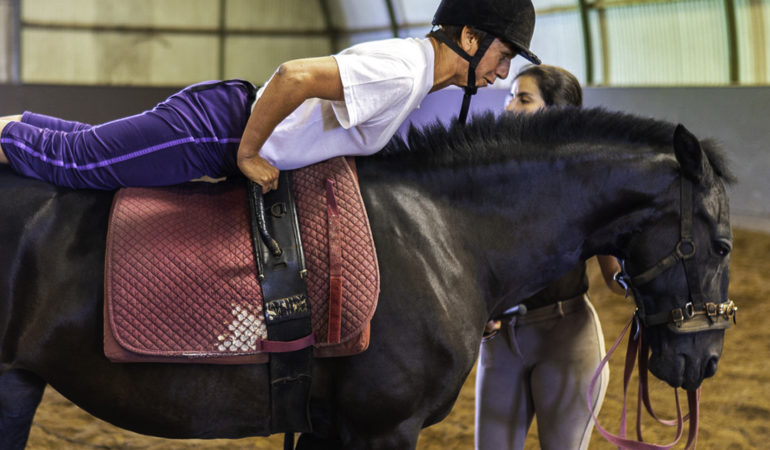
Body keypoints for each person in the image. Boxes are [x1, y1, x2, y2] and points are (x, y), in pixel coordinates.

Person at [0, 0, 540, 192]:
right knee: (77, 164)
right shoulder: (403, 71)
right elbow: (292, 77)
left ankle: (14, 121)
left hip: (222, 118)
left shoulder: (414, 71)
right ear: (470, 38)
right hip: (217, 131)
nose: (501, 72)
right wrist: (247, 153)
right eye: (503, 56)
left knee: (84, 144)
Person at [474, 64, 627, 450]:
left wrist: (647, 283)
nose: (509, 108)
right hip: (500, 343)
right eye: (510, 96)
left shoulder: (588, 184)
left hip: (567, 340)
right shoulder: (488, 177)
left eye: (523, 99)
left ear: (557, 112)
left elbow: (614, 275)